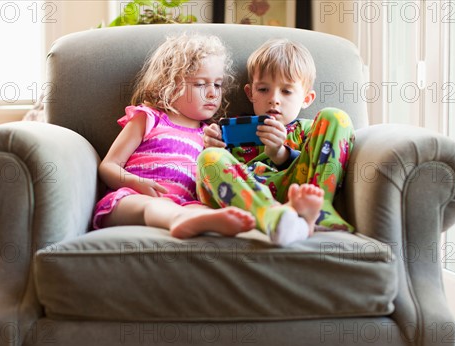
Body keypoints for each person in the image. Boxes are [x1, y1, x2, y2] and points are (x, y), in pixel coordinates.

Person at [92, 33, 256, 239]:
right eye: (200, 84)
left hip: (185, 204)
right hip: (132, 199)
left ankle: (200, 221)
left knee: (203, 211)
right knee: (155, 206)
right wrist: (134, 182)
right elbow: (108, 166)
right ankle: (179, 220)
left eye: (217, 84)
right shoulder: (148, 118)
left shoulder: (211, 135)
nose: (213, 93)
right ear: (167, 85)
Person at [199, 38, 356, 245]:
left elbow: (313, 163)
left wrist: (280, 153)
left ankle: (320, 208)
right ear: (250, 93)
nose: (274, 99)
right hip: (248, 194)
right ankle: (273, 218)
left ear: (306, 98)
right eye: (263, 89)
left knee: (335, 116)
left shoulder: (309, 130)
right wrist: (212, 144)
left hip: (299, 187)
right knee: (208, 158)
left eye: (287, 91)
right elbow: (220, 169)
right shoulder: (233, 130)